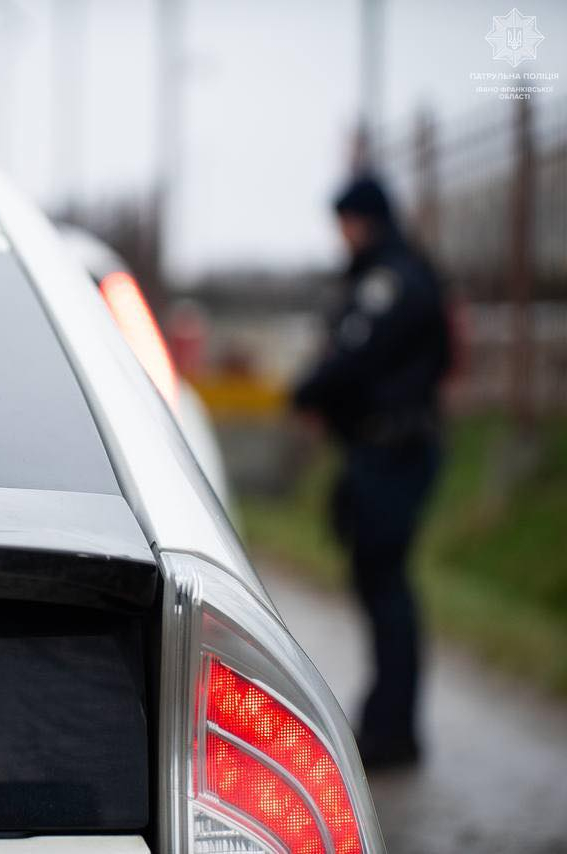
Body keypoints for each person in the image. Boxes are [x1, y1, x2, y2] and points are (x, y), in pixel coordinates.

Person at [292, 174, 450, 771]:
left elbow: (356, 354)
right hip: (380, 449)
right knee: (380, 582)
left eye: (347, 223)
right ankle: (388, 721)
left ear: (366, 219)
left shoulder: (393, 280)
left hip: (395, 451)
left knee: (386, 586)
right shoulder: (395, 273)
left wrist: (306, 390)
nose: (343, 236)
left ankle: (393, 731)